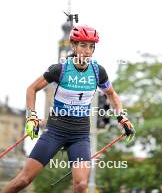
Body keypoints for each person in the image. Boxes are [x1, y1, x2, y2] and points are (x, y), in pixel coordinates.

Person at [2, 25, 135, 193]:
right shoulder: (60, 69)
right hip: (55, 131)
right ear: (73, 46)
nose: (87, 51)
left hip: (79, 135)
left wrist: (122, 118)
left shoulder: (97, 71)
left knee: (81, 185)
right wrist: (31, 116)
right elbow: (32, 89)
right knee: (24, 179)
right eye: (83, 45)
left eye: (91, 46)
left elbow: (112, 94)